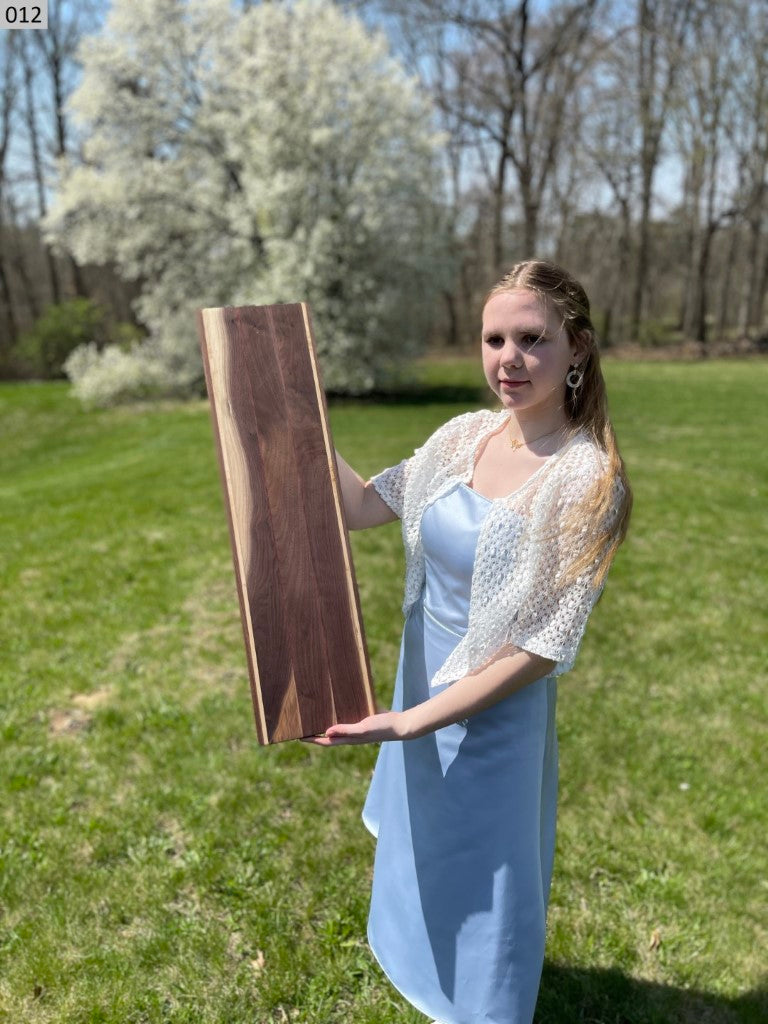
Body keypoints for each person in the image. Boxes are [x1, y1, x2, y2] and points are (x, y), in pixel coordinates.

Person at [304, 259, 632, 1024]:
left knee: (484, 873)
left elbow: (544, 648)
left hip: (490, 715)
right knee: (423, 855)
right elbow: (357, 506)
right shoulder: (462, 437)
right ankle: (421, 982)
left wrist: (413, 722)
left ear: (577, 349)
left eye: (532, 339)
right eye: (493, 339)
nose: (508, 359)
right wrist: (298, 408)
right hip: (418, 681)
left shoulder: (588, 478)